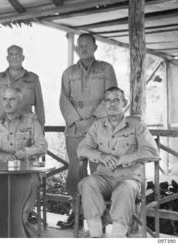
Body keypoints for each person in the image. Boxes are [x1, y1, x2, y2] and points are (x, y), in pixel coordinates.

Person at [77, 87, 159, 237]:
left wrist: (124, 160)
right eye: (107, 101)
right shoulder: (97, 125)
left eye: (116, 100)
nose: (111, 104)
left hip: (130, 178)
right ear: (104, 104)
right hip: (104, 177)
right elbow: (82, 149)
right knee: (87, 183)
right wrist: (100, 155)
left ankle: (117, 236)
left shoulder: (136, 125)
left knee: (125, 189)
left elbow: (152, 152)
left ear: (124, 103)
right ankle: (95, 234)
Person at [58, 33, 118, 228]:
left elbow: (113, 97)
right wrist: (77, 120)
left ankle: (100, 215)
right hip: (75, 130)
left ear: (95, 47)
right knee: (75, 170)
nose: (83, 48)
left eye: (87, 44)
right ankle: (76, 214)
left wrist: (92, 120)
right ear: (76, 49)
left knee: (99, 171)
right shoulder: (68, 73)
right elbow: (63, 99)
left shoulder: (106, 69)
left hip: (100, 130)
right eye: (79, 45)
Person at [0, 87, 47, 236]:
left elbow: (42, 146)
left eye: (12, 99)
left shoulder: (31, 121)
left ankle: (21, 222)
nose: (7, 103)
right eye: (5, 99)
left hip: (25, 168)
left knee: (31, 181)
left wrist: (20, 153)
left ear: (20, 101)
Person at [0, 45, 45, 128]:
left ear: (23, 58)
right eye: (11, 54)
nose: (14, 57)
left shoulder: (33, 79)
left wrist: (40, 131)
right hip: (0, 131)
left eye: (18, 54)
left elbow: (40, 108)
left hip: (25, 131)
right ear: (7, 58)